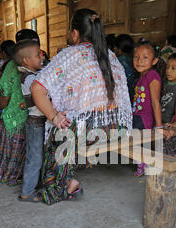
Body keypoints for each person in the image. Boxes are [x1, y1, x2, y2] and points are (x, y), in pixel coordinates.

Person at [31, 9, 132, 205]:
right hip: (114, 128)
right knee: (67, 126)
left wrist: (54, 116)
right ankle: (69, 177)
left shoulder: (69, 54)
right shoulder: (110, 55)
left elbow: (37, 88)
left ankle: (62, 186)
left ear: (75, 33)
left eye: (70, 31)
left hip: (86, 132)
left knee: (57, 131)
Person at [0, 29, 39, 186]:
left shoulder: (11, 66)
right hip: (43, 117)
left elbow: (2, 101)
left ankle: (3, 167)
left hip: (19, 121)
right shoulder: (45, 63)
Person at [13, 40, 46, 202]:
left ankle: (36, 185)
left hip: (39, 122)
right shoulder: (29, 79)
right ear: (26, 61)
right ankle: (27, 192)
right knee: (35, 158)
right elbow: (42, 96)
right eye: (37, 55)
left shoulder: (33, 75)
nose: (41, 56)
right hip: (35, 122)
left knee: (39, 155)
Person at [132, 39, 162, 176]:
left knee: (139, 142)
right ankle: (141, 163)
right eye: (136, 57)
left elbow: (156, 102)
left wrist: (159, 126)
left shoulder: (152, 76)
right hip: (137, 115)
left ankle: (143, 164)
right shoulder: (141, 77)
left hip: (144, 118)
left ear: (154, 61)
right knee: (136, 142)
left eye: (145, 58)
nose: (139, 61)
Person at [114, 34, 137, 104]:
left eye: (115, 47)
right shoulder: (134, 60)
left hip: (123, 99)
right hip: (134, 97)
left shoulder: (117, 62)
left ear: (119, 49)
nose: (114, 49)